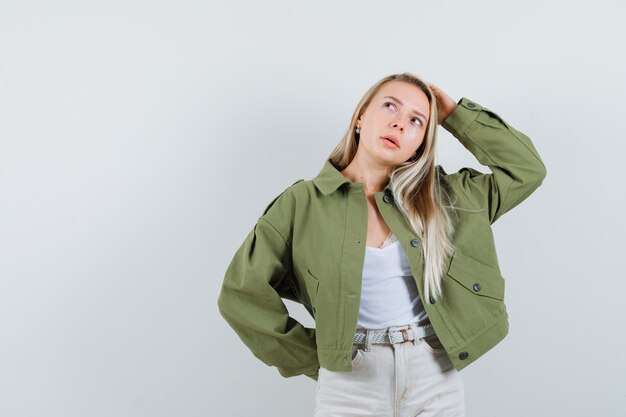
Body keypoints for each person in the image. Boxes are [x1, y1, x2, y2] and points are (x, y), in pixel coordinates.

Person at [217, 72, 547, 416]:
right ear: (361, 116)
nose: (400, 124)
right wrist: (315, 358)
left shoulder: (448, 197)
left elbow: (526, 170)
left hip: (434, 374)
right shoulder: (302, 203)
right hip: (350, 382)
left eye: (416, 121)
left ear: (421, 142)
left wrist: (455, 115)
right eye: (391, 106)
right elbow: (241, 294)